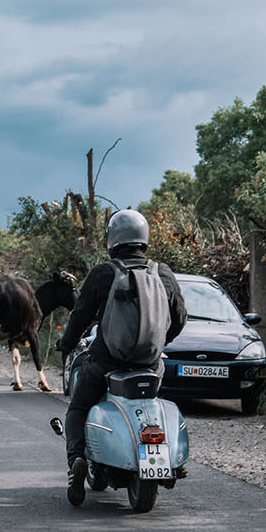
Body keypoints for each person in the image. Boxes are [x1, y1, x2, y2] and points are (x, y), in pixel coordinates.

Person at [56, 208, 186, 504]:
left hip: (105, 362)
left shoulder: (103, 273)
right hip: (150, 365)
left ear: (113, 239)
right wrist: (158, 343)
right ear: (144, 238)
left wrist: (66, 343)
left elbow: (79, 317)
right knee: (150, 405)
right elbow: (180, 318)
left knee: (78, 408)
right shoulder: (162, 273)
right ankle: (162, 453)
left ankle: (77, 458)